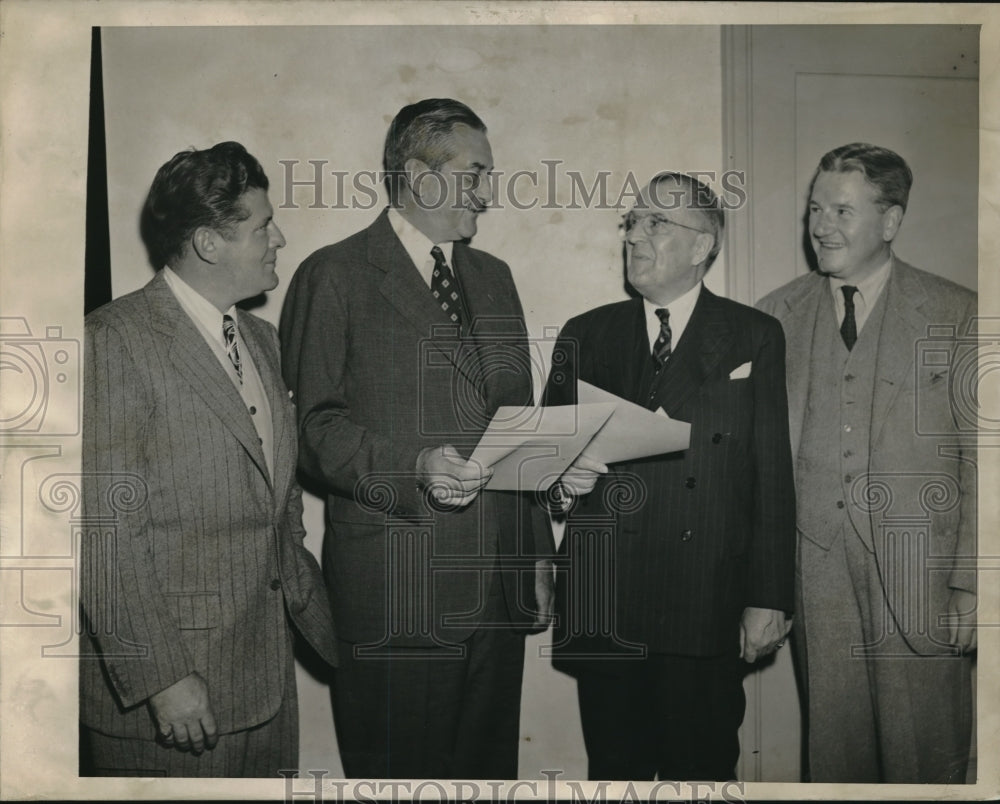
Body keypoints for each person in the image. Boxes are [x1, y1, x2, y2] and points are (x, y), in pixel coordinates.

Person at [279, 98, 554, 780]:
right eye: (476, 174)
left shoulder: (495, 279)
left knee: (489, 777)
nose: (488, 194)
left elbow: (512, 424)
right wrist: (414, 468)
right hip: (394, 588)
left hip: (495, 591)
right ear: (419, 176)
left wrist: (536, 555)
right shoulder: (333, 274)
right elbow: (311, 429)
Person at [80, 141, 337, 777]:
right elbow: (102, 532)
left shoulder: (261, 338)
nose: (279, 237)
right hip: (173, 699)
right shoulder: (113, 339)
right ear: (207, 243)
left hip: (265, 677)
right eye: (261, 225)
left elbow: (277, 492)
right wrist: (161, 677)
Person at [543, 172, 796, 781]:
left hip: (704, 600)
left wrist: (771, 595)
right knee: (615, 772)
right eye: (633, 220)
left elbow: (771, 475)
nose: (635, 234)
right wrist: (559, 482)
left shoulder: (753, 336)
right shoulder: (586, 332)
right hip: (608, 599)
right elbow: (540, 468)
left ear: (704, 244)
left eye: (657, 222)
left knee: (700, 772)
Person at [756, 142, 977, 783]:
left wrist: (971, 582)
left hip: (923, 575)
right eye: (814, 209)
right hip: (814, 568)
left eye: (842, 211)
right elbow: (763, 465)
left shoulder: (958, 313)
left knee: (926, 757)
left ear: (890, 220)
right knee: (836, 759)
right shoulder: (776, 316)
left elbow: (983, 460)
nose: (821, 226)